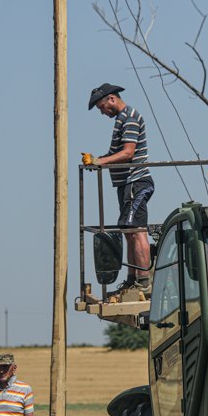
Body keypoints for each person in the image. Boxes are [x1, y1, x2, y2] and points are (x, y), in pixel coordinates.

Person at [83, 83, 155, 294]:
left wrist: (100, 162)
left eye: (102, 107)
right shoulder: (121, 120)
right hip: (127, 184)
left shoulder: (130, 118)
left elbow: (128, 153)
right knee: (128, 229)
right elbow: (118, 152)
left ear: (112, 99)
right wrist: (98, 160)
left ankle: (144, 281)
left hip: (137, 181)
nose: (103, 113)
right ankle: (133, 277)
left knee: (136, 229)